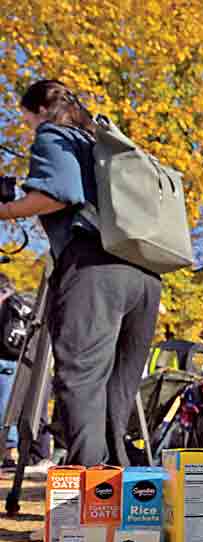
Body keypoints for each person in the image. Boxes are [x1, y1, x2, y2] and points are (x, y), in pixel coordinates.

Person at [0, 80, 160, 467]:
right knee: (117, 391)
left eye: (26, 120)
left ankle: (88, 504)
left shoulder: (54, 135)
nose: (28, 129)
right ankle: (120, 497)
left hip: (94, 269)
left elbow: (60, 191)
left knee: (82, 383)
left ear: (39, 110)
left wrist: (7, 210)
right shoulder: (100, 144)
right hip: (145, 272)